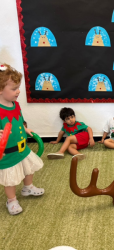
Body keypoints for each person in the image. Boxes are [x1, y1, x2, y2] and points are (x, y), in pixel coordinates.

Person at [0, 63, 44, 215]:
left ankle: (28, 187)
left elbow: (18, 120)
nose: (18, 91)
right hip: (7, 153)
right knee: (10, 179)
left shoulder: (15, 105)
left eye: (18, 87)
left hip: (22, 148)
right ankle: (11, 200)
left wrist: (25, 129)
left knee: (29, 168)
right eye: (14, 89)